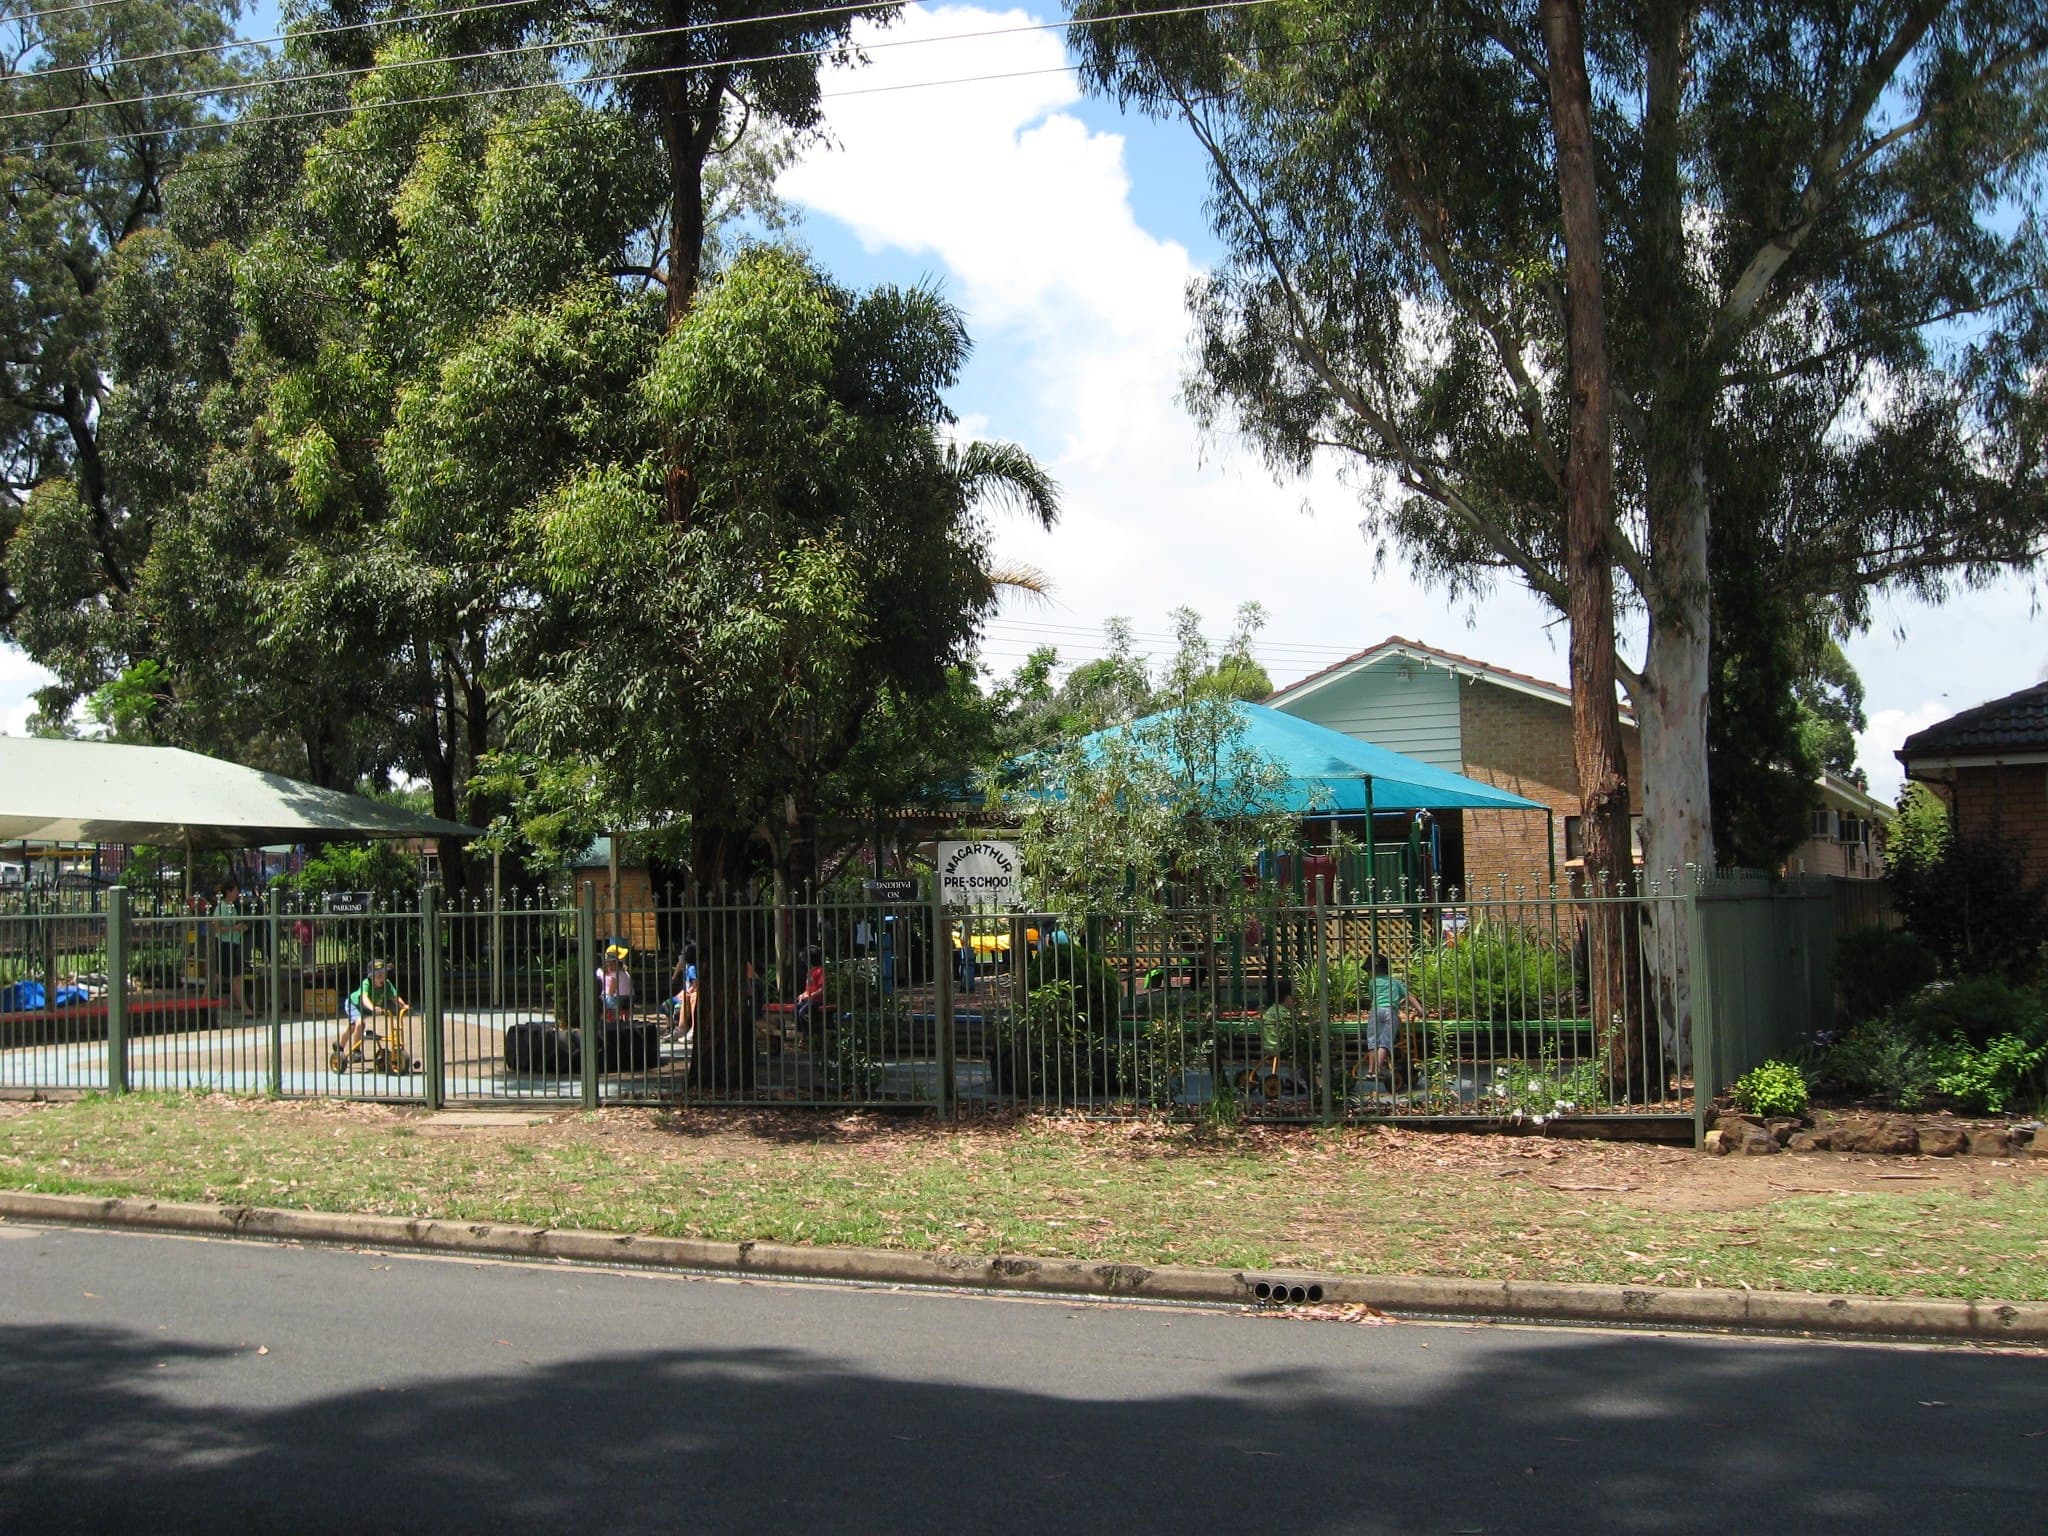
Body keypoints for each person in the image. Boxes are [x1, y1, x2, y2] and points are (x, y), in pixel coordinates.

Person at [338, 958, 406, 1062]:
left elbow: (394, 997)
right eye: (379, 976)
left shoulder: (387, 984)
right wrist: (372, 1008)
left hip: (366, 1009)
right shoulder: (367, 983)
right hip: (354, 1004)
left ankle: (340, 1045)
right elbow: (364, 998)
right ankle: (353, 1050)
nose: (382, 978)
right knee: (359, 1023)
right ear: (371, 976)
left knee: (354, 1027)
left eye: (383, 974)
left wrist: (404, 1005)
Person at [1365, 954, 1412, 1088]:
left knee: (1373, 1040)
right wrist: (1420, 1010)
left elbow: (1372, 997)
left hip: (1376, 1010)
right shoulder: (1395, 982)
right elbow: (1409, 996)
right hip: (1390, 1011)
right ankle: (1378, 1069)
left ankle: (1370, 1071)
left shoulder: (1372, 982)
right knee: (1385, 1041)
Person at [213, 882, 250, 1016]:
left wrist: (241, 928)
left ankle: (204, 1001)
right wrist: (234, 929)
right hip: (224, 944)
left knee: (219, 974)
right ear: (228, 892)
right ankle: (244, 1008)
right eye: (235, 890)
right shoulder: (221, 907)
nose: (237, 894)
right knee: (235, 975)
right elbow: (217, 927)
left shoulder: (231, 907)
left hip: (233, 943)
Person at [664, 942, 698, 1041]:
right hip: (688, 992)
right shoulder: (689, 967)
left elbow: (695, 983)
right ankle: (680, 1027)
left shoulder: (692, 968)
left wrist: (689, 991)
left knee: (693, 997)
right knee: (669, 1003)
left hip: (695, 992)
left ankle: (692, 1029)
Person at [793, 946, 827, 1038]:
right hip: (809, 999)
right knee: (795, 1009)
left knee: (802, 1013)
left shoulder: (820, 971)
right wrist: (802, 995)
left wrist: (809, 995)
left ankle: (809, 1035)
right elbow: (808, 989)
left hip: (816, 1000)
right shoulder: (810, 971)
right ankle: (803, 1032)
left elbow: (823, 989)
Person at [597, 943, 634, 1022]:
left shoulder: (614, 974)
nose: (609, 967)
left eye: (611, 965)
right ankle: (625, 1019)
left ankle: (605, 1020)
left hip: (618, 999)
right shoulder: (625, 972)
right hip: (630, 999)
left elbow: (611, 991)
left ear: (618, 963)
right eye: (607, 965)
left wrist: (605, 995)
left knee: (600, 1000)